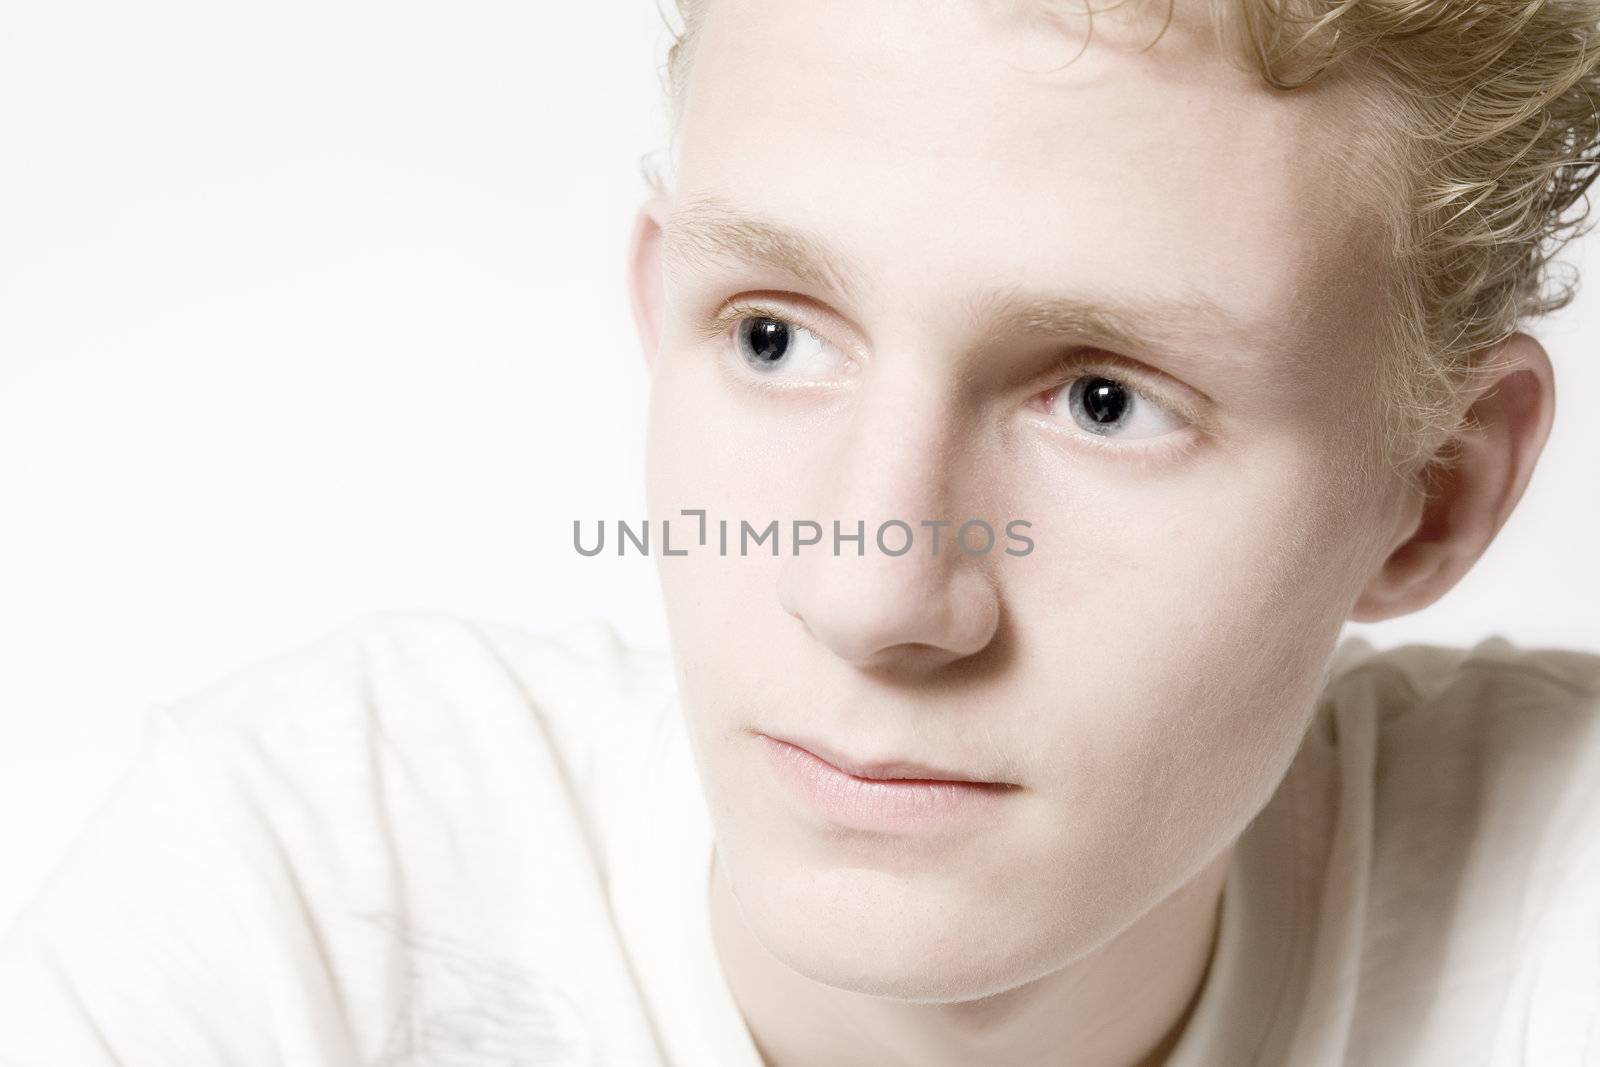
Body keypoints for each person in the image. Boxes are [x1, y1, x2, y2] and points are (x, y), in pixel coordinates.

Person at [3, 0, 1599, 1064]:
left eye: (1106, 398)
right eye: (774, 336)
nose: (872, 594)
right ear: (658, 313)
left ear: (1435, 491)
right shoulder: (305, 900)